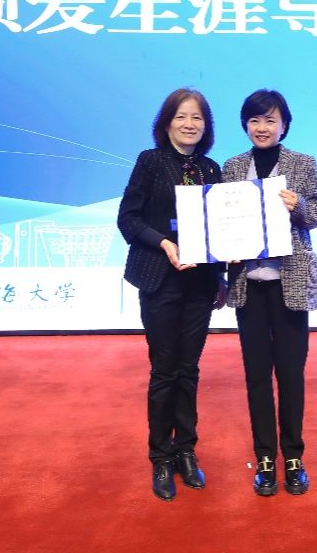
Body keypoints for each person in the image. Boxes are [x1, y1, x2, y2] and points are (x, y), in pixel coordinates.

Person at [117, 87, 225, 502]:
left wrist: (222, 277)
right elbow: (128, 219)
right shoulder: (150, 161)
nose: (189, 124)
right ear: (166, 123)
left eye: (197, 117)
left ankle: (186, 451)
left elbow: (221, 230)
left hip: (200, 285)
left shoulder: (212, 170)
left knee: (189, 369)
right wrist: (164, 243)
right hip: (159, 279)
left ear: (206, 126)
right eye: (181, 116)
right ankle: (161, 456)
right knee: (164, 370)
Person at [222, 89, 317, 497]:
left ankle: (294, 458)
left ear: (284, 126)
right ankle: (265, 459)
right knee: (256, 377)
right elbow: (219, 223)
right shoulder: (233, 167)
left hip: (290, 283)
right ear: (245, 125)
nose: (261, 127)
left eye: (270, 120)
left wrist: (297, 205)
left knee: (290, 375)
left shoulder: (303, 163)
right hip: (249, 285)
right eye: (254, 120)